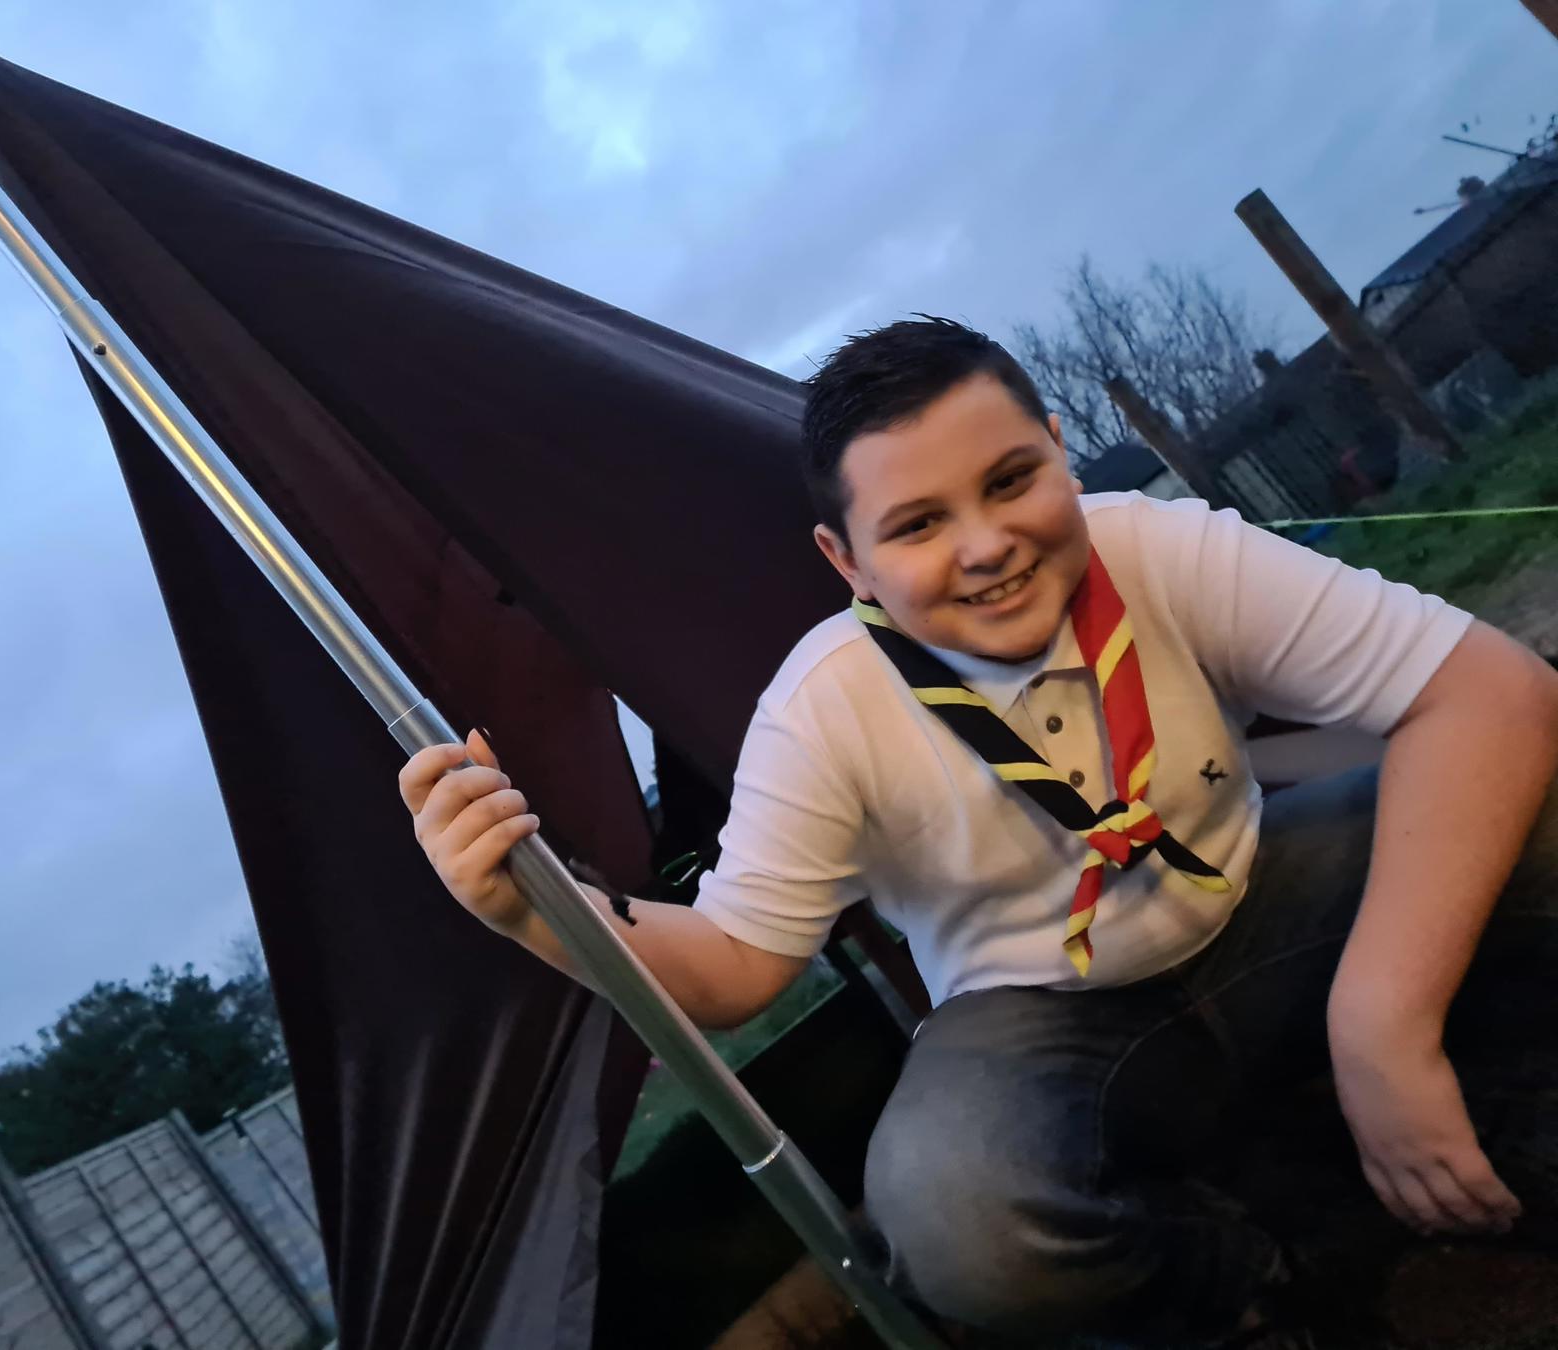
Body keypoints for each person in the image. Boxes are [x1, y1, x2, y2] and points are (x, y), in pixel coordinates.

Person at [398, 317, 1558, 1346]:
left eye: (1012, 480)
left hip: (1263, 899)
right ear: (844, 562)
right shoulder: (822, 708)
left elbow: (1490, 693)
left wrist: (1381, 1021)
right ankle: (1252, 1283)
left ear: (1059, 447)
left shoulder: (1156, 548)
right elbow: (735, 966)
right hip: (1045, 1017)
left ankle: (1475, 1088)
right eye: (917, 525)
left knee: (1532, 790)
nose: (988, 544)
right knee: (959, 1222)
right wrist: (526, 907)